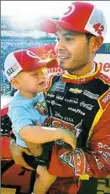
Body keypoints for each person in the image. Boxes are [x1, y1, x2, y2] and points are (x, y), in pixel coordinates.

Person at [9, 1, 110, 194]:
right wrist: (15, 139)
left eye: (69, 38)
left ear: (95, 43)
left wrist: (42, 153)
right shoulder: (51, 80)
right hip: (38, 179)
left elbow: (104, 162)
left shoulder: (106, 95)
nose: (58, 47)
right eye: (57, 38)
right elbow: (24, 110)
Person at [4, 49, 76, 194]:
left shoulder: (38, 92)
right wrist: (60, 133)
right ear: (16, 82)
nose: (42, 75)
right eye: (34, 74)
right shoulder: (19, 106)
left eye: (43, 70)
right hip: (30, 151)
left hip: (45, 140)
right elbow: (27, 132)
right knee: (48, 174)